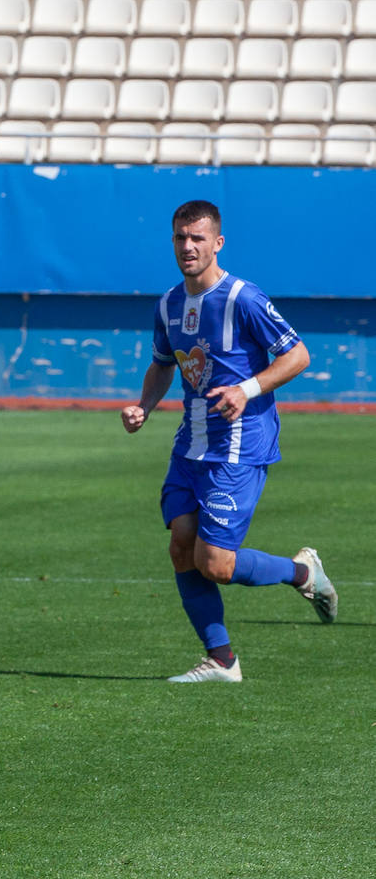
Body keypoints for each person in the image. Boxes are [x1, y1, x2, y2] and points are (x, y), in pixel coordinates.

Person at [121, 200, 337, 683]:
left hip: (240, 445)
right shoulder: (169, 304)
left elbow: (298, 355)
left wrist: (247, 388)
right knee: (181, 548)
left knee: (214, 563)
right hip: (190, 443)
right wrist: (144, 407)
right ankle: (221, 661)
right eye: (180, 237)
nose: (188, 246)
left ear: (217, 242)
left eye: (198, 238)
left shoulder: (243, 298)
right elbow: (163, 363)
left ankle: (303, 573)